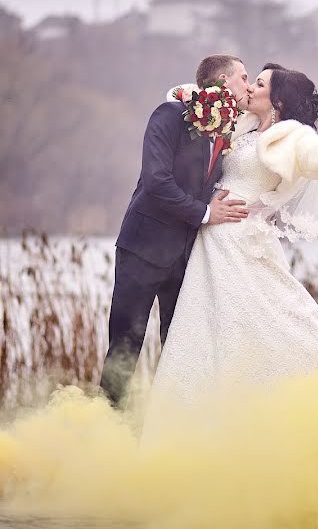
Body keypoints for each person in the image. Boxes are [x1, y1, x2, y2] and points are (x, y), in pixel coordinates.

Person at [141, 62, 318, 424]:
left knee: (283, 321)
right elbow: (187, 99)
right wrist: (198, 93)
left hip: (241, 241)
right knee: (208, 330)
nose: (250, 88)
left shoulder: (292, 138)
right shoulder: (242, 126)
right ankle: (211, 421)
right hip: (212, 242)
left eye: (258, 83)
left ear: (279, 101)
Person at [100, 55, 253, 407]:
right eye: (244, 77)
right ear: (222, 80)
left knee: (178, 350)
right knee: (124, 347)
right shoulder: (170, 115)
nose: (248, 84)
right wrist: (204, 213)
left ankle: (165, 429)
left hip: (186, 258)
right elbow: (156, 181)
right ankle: (104, 428)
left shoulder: (229, 129)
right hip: (142, 249)